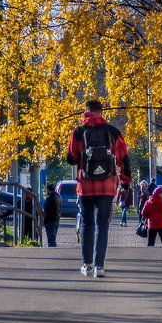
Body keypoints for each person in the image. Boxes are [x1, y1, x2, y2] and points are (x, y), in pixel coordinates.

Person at [66, 99, 131, 278]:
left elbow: (71, 158)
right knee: (103, 225)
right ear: (102, 112)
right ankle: (99, 267)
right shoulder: (113, 132)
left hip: (85, 186)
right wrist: (125, 182)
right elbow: (123, 158)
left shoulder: (78, 132)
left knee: (87, 224)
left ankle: (86, 265)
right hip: (107, 185)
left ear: (86, 112)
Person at [42, 182, 62, 247]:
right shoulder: (58, 196)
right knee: (53, 237)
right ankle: (54, 249)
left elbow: (47, 210)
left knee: (51, 238)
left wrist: (45, 221)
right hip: (57, 218)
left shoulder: (49, 198)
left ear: (48, 189)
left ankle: (52, 251)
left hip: (50, 220)